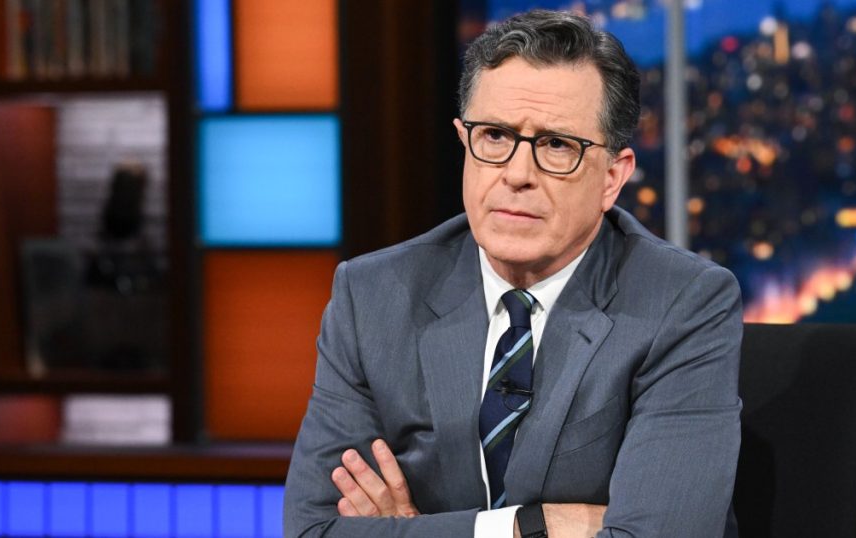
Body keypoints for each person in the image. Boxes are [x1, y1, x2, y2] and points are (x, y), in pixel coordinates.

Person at [284, 9, 742, 537]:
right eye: (495, 136)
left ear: (612, 179)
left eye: (557, 145)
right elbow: (312, 530)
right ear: (464, 141)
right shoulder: (372, 297)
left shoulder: (683, 303)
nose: (517, 174)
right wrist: (531, 526)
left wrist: (415, 531)